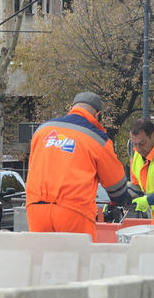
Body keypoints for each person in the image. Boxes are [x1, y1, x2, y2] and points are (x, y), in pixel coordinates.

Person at [25, 92, 132, 240]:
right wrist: (124, 199)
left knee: (43, 260)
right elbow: (116, 185)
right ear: (98, 115)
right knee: (78, 260)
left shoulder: (42, 131)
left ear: (71, 108)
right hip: (73, 212)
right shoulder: (97, 139)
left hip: (36, 209)